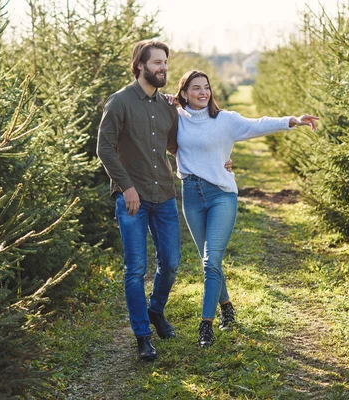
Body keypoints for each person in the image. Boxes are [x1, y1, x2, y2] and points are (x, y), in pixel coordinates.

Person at [96, 41, 231, 361]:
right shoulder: (119, 103)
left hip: (165, 196)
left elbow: (179, 146)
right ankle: (143, 335)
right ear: (139, 66)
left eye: (166, 63)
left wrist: (220, 160)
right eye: (157, 62)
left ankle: (156, 310)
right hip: (133, 199)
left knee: (170, 263)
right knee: (135, 269)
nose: (164, 68)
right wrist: (126, 187)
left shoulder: (168, 106)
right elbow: (104, 148)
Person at [173, 70, 319, 347]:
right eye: (195, 88)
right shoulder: (176, 118)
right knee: (209, 261)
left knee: (209, 261)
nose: (203, 92)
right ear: (184, 93)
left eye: (206, 87)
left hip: (221, 195)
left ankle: (206, 326)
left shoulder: (225, 120)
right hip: (191, 195)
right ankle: (227, 305)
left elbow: (259, 124)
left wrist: (294, 121)